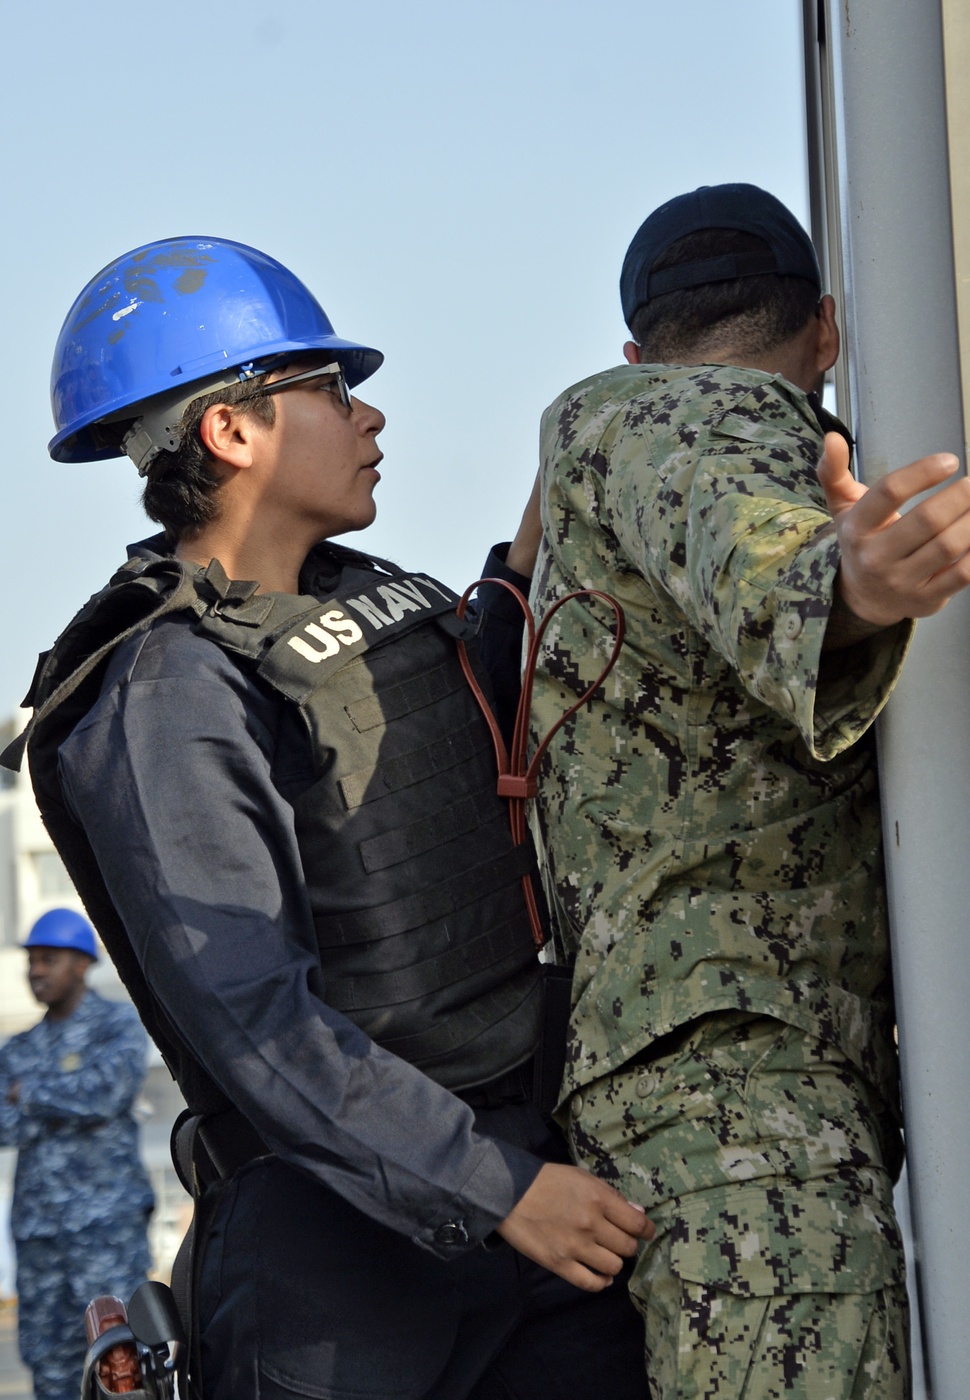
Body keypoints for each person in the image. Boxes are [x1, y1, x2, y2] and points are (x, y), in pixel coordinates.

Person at [0, 237, 653, 1400]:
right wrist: (498, 1188)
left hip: (531, 1201)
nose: (373, 417)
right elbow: (254, 1015)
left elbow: (469, 696)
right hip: (345, 1256)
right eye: (332, 391)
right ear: (231, 430)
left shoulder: (368, 602)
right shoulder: (164, 689)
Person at [526, 183, 970, 1399]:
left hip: (732, 1081)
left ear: (637, 338)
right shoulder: (675, 414)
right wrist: (846, 579)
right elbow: (744, 526)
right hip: (746, 1103)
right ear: (826, 329)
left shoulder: (613, 434)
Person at [0, 907, 153, 1400]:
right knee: (49, 1364)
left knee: (119, 1363)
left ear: (83, 964)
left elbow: (109, 1092)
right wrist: (65, 1095)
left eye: (49, 960)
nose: (36, 971)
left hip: (104, 1230)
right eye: (31, 962)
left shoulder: (117, 1024)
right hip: (40, 1237)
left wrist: (33, 1095)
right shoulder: (18, 1049)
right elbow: (3, 1125)